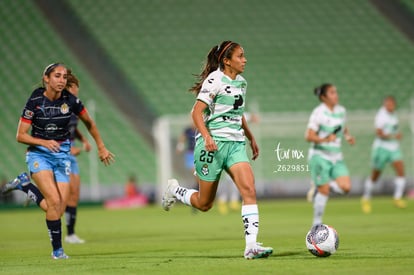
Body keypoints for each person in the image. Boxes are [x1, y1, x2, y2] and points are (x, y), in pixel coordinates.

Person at [162, 41, 273, 259]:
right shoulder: (214, 80)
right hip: (212, 145)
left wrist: (250, 137)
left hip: (235, 144)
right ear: (226, 60)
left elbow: (237, 112)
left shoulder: (241, 82)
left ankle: (251, 246)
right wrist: (207, 136)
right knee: (205, 204)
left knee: (249, 190)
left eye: (244, 56)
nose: (245, 60)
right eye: (240, 56)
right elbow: (196, 112)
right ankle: (175, 190)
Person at [1, 63, 114, 259]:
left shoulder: (71, 101)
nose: (61, 80)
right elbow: (20, 135)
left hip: (63, 157)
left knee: (58, 209)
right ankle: (58, 251)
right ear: (47, 78)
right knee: (53, 201)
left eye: (64, 76)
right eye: (57, 76)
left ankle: (25, 185)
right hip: (38, 155)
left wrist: (101, 147)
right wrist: (43, 142)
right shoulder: (35, 100)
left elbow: (89, 123)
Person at [305, 83, 355, 227]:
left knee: (346, 187)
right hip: (320, 156)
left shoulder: (341, 111)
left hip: (336, 156)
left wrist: (348, 136)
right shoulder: (318, 113)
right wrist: (325, 139)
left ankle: (320, 187)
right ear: (323, 97)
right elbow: (308, 136)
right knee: (324, 192)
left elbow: (343, 127)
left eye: (336, 92)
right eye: (332, 93)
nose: (336, 95)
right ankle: (317, 224)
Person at [361, 96, 407, 213]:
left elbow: (393, 130)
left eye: (391, 104)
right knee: (375, 175)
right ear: (384, 105)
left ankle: (397, 198)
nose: (389, 106)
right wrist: (393, 136)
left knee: (401, 170)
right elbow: (379, 133)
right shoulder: (381, 116)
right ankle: (366, 198)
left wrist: (397, 135)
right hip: (381, 148)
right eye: (387, 104)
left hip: (393, 148)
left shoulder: (393, 115)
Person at [64, 70, 92, 244]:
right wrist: (68, 149)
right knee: (61, 196)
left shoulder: (73, 108)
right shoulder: (62, 108)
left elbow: (73, 128)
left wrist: (83, 140)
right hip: (59, 152)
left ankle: (70, 233)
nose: (77, 90)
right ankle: (30, 189)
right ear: (69, 88)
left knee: (74, 193)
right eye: (75, 87)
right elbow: (54, 131)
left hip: (71, 151)